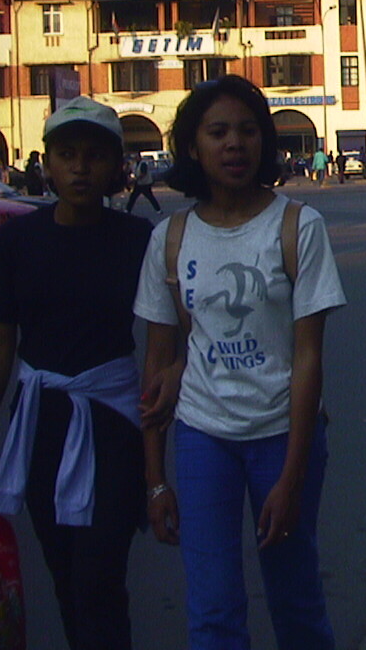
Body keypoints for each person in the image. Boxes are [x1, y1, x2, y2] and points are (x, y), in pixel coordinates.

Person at [136, 74, 346, 649]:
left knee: (295, 599)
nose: (234, 144)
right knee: (213, 610)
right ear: (193, 147)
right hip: (204, 438)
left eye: (247, 131)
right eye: (218, 132)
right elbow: (158, 371)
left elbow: (308, 360)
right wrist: (156, 482)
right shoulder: (171, 239)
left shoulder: (298, 227)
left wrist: (292, 476)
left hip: (285, 435)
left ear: (265, 142)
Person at [0, 96, 152, 650]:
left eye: (94, 156)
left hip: (113, 425)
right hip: (41, 424)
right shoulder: (22, 239)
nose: (79, 168)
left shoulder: (138, 241)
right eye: (66, 154)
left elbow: (173, 336)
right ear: (46, 163)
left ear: (116, 168)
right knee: (65, 578)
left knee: (100, 580)